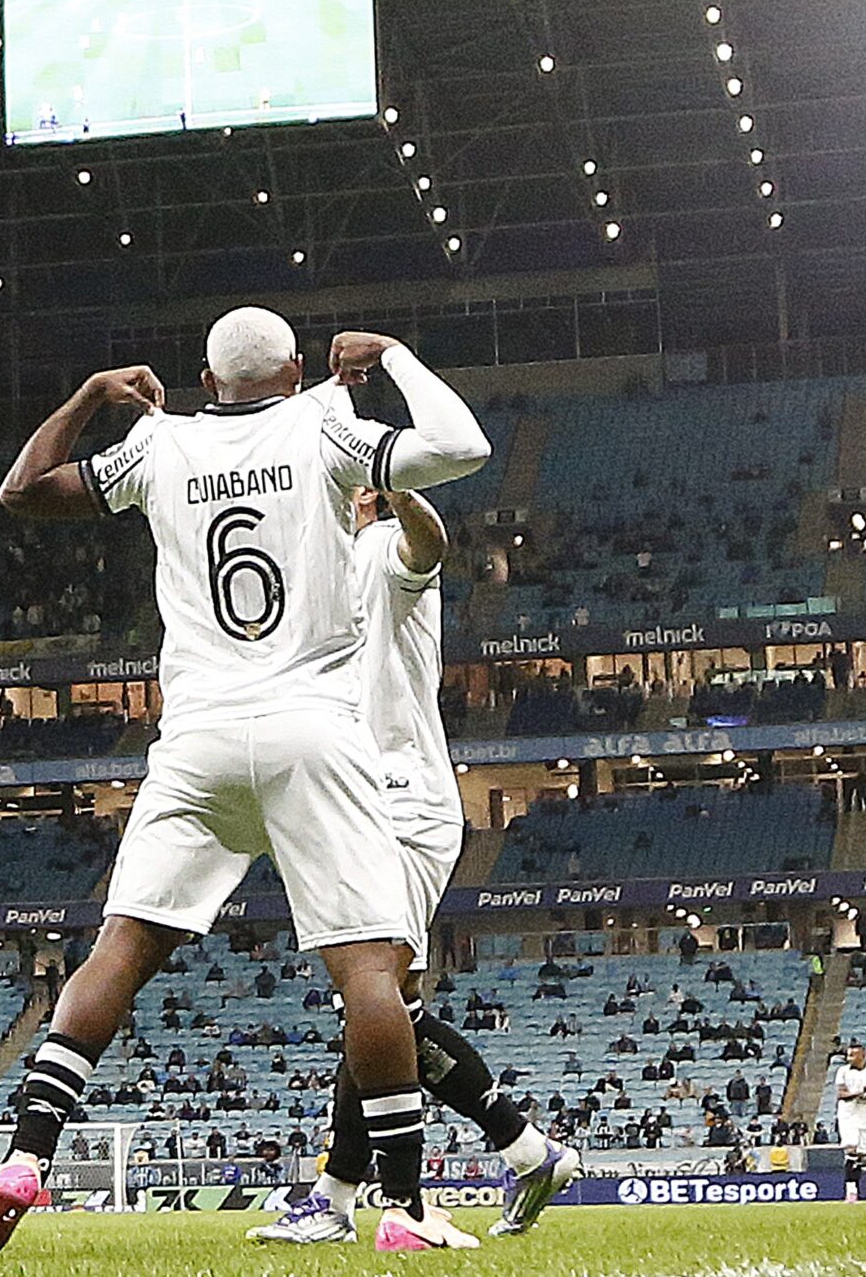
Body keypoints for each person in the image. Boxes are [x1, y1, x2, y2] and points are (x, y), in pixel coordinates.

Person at [0, 312, 490, 1257]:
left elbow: (24, 489)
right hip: (311, 730)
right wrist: (394, 357)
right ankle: (405, 1209)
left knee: (121, 947)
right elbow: (462, 446)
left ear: (205, 382)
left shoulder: (158, 443)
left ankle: (26, 1154)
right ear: (299, 367)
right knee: (370, 971)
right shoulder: (326, 421)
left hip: (197, 735)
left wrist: (92, 394)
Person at [254, 485, 577, 1248]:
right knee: (382, 1007)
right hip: (359, 802)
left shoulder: (380, 551)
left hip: (399, 800)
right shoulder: (314, 573)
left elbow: (427, 546)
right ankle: (523, 1150)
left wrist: (401, 491)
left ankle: (363, 1198)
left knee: (373, 999)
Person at [833, 1042, 866, 1202]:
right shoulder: (843, 1071)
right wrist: (859, 1092)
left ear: (862, 1055)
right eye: (848, 1055)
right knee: (851, 1149)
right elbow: (841, 1094)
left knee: (860, 1154)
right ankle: (850, 1190)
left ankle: (854, 1186)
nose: (849, 1058)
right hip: (848, 1114)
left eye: (852, 1055)